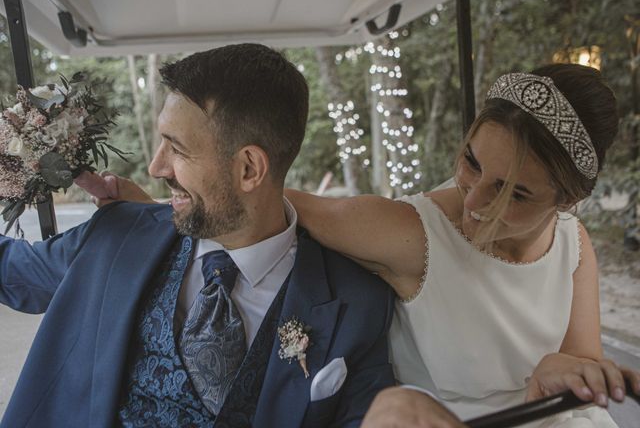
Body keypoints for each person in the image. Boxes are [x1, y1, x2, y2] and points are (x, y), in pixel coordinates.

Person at [89, 64, 640, 427]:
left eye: (514, 193)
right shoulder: (407, 233)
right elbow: (256, 197)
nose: (474, 201)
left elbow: (583, 362)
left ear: (566, 201)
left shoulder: (574, 243)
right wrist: (158, 209)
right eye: (471, 162)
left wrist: (563, 372)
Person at [0, 44, 397, 428]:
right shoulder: (117, 234)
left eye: (177, 148)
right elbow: (11, 271)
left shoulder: (357, 304)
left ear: (248, 169)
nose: (156, 167)